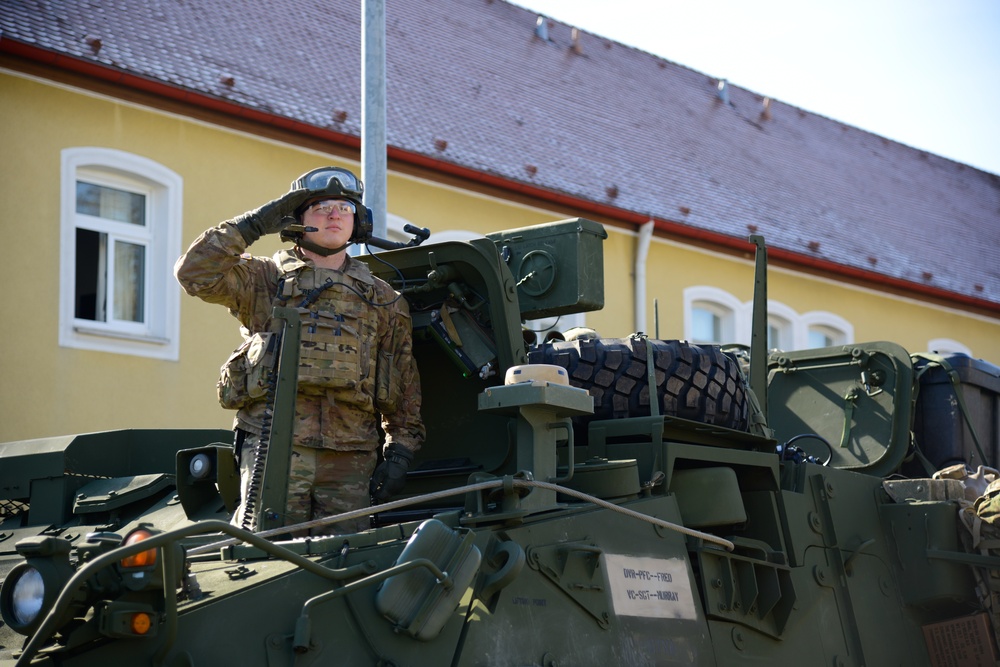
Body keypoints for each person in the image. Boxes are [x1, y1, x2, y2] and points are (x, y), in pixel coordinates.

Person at [174, 166, 424, 534]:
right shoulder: (263, 279)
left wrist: (400, 452)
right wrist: (254, 224)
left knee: (346, 564)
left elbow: (404, 386)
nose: (335, 214)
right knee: (266, 558)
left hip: (351, 457)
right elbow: (193, 274)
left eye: (345, 207)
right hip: (274, 450)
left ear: (360, 223)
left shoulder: (383, 299)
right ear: (296, 220)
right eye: (321, 206)